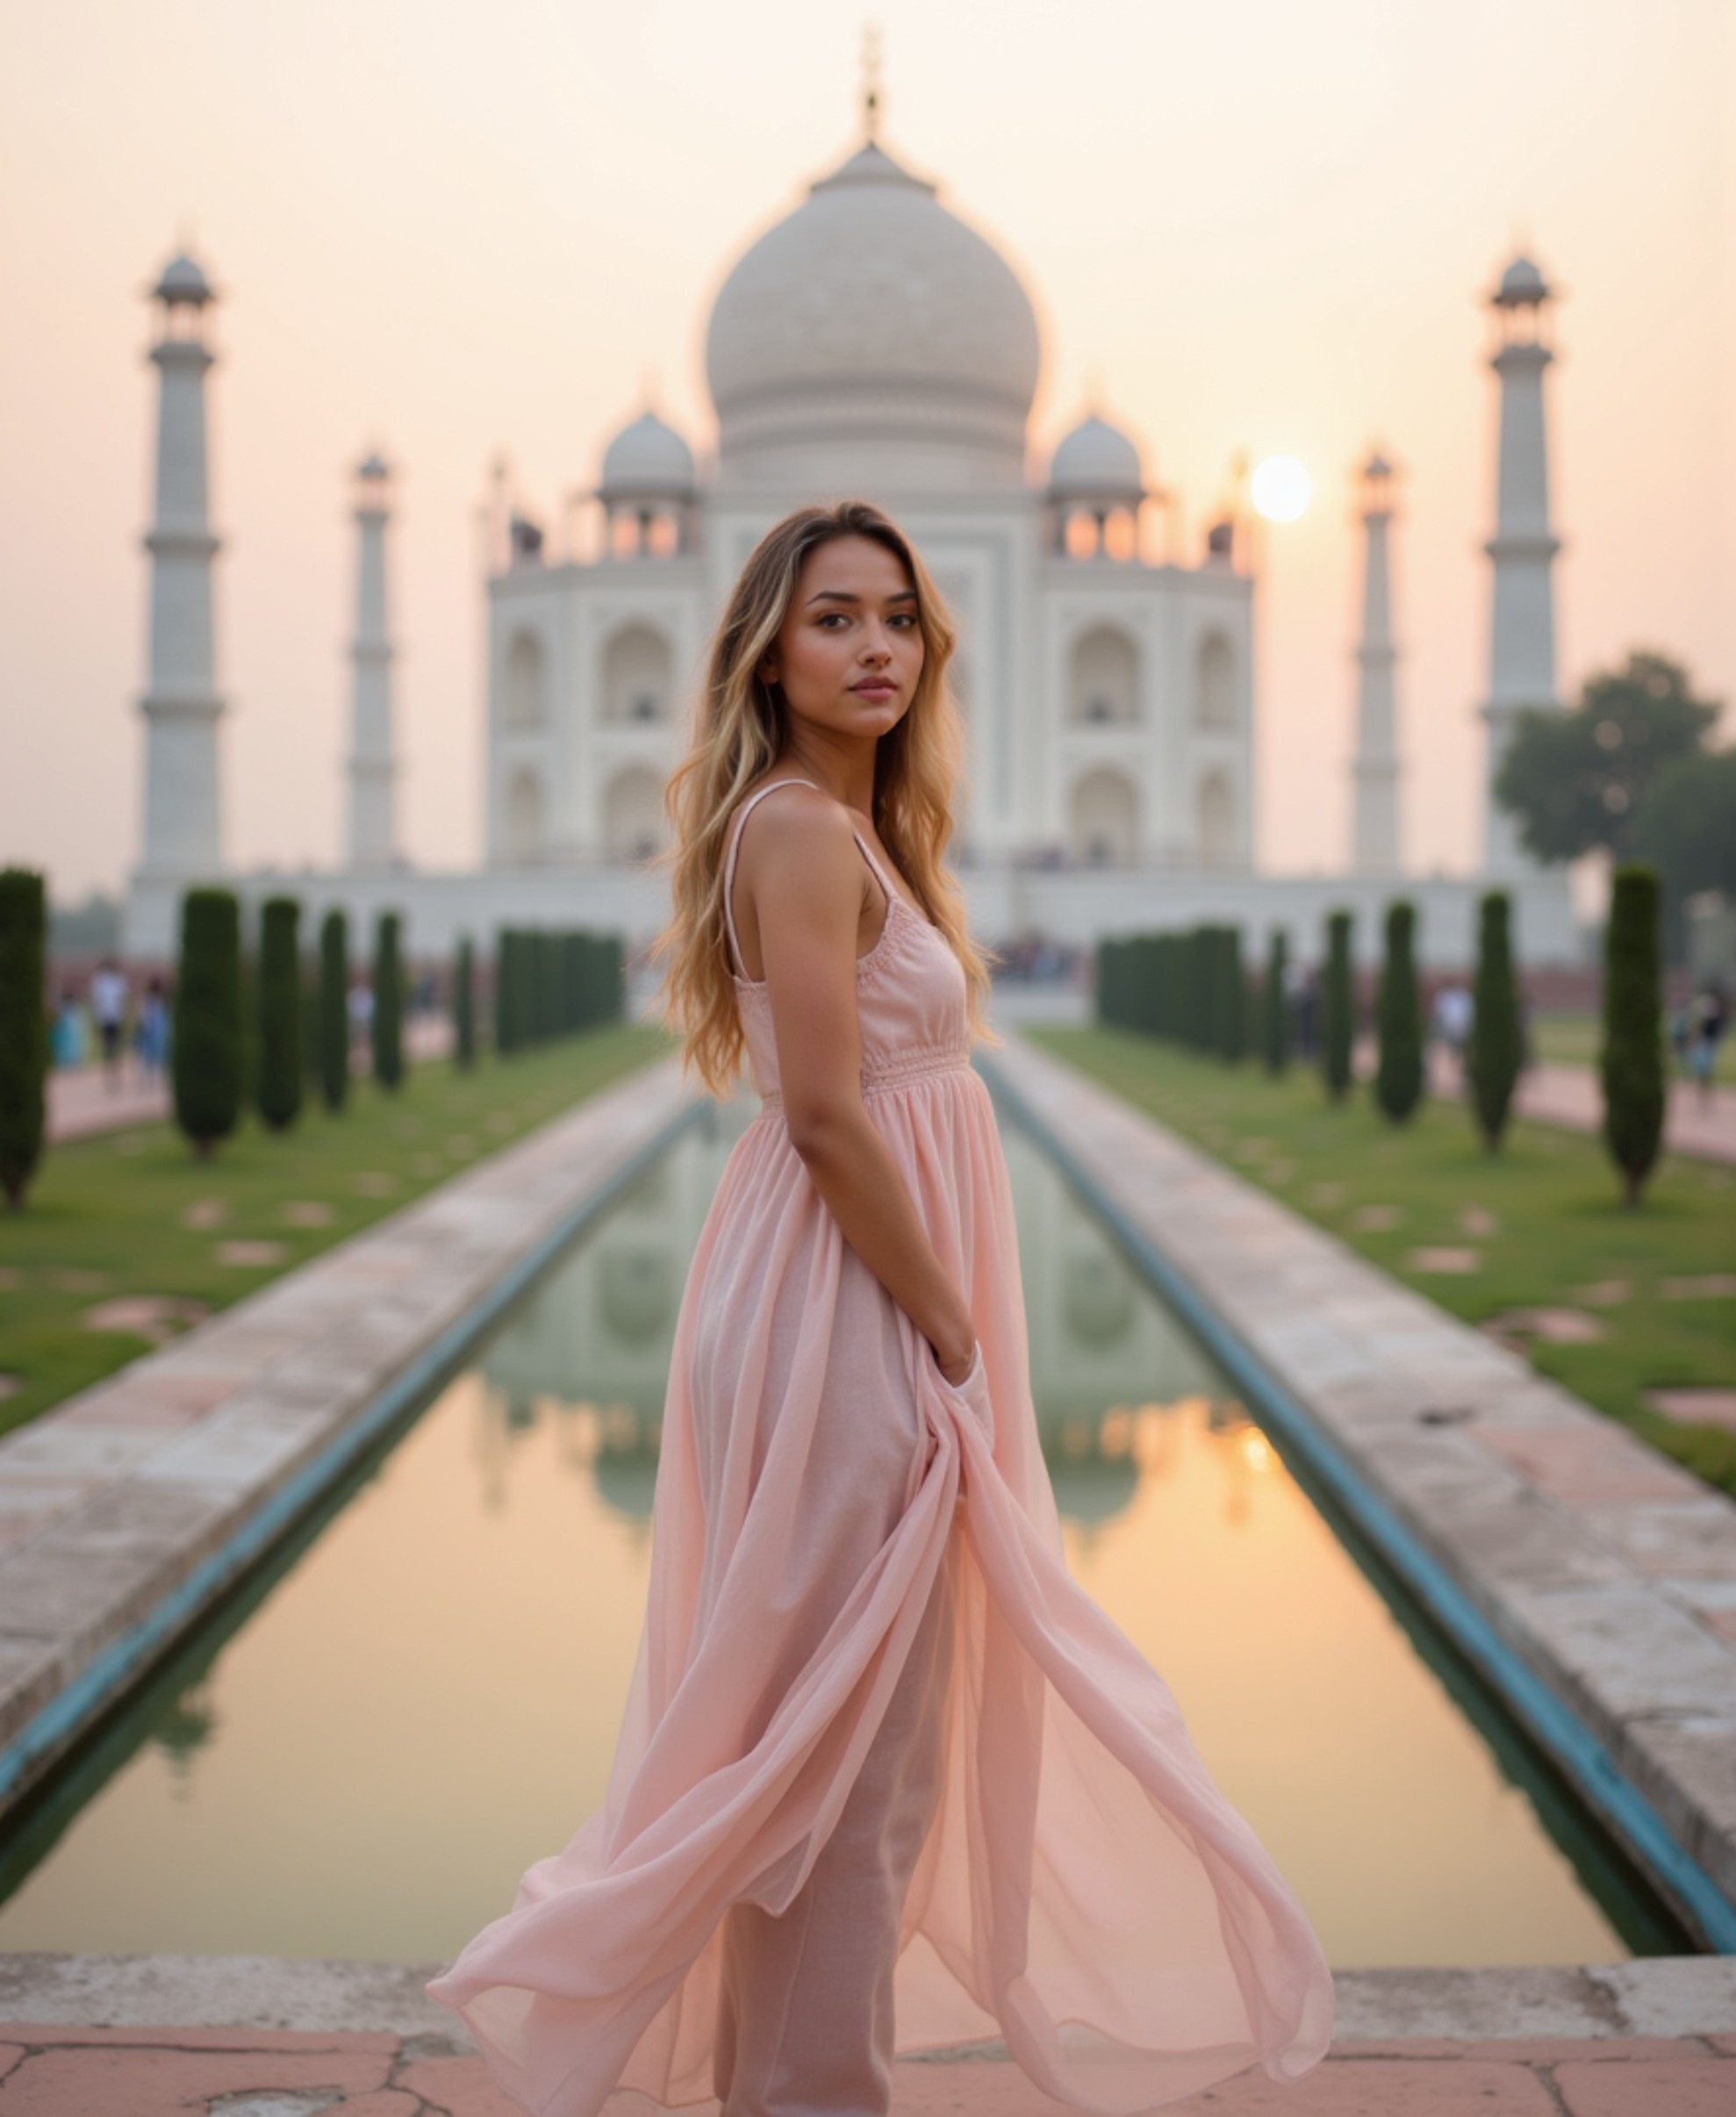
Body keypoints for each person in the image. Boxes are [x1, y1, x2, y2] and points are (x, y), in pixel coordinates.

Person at [425, 503, 1333, 2117]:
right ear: (767, 649)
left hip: (856, 1291)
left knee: (844, 1748)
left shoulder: (855, 835)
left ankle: (792, 2086)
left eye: (900, 619)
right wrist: (955, 1328)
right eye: (836, 618)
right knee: (860, 1763)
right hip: (852, 1304)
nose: (875, 651)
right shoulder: (791, 826)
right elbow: (832, 1115)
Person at [89, 956, 129, 1091]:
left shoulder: (115, 981)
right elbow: (97, 1001)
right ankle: (112, 1077)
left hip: (111, 1018)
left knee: (111, 1048)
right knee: (111, 1048)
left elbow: (122, 1000)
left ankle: (113, 1077)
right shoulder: (105, 981)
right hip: (110, 1018)